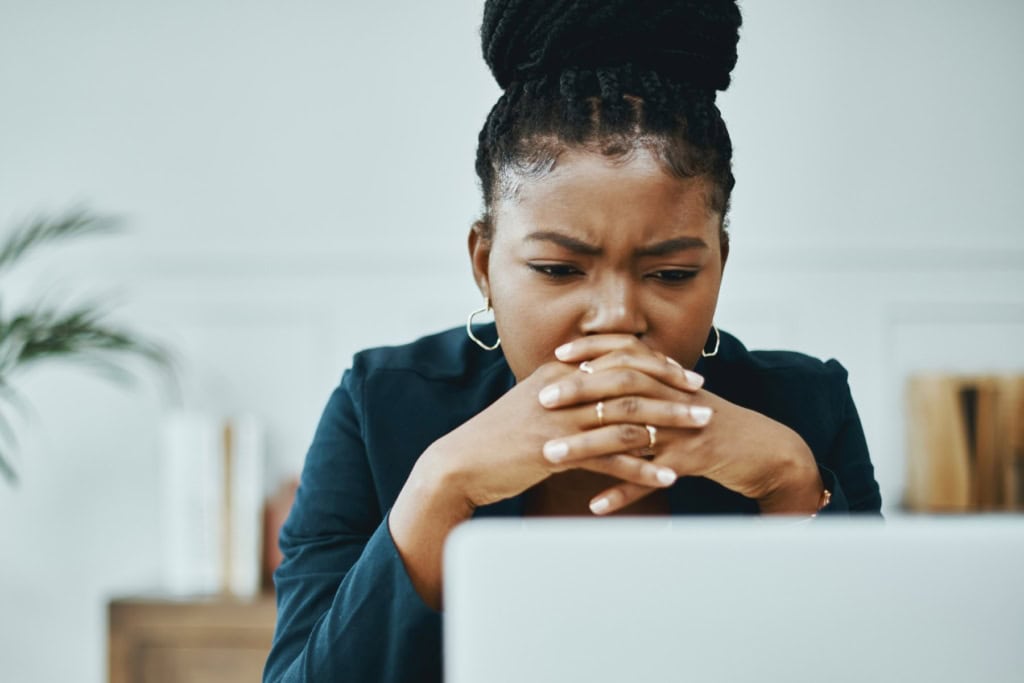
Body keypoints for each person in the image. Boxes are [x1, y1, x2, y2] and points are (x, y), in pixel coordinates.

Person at [263, 1, 882, 681]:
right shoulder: (378, 407)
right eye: (558, 269)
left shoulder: (806, 409)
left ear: (720, 266)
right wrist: (442, 486)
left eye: (671, 273)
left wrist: (789, 484)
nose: (616, 317)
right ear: (484, 265)